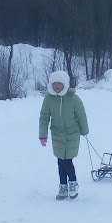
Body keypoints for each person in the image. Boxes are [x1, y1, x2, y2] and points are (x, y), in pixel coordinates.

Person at [39, 70, 89, 200]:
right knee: (60, 160)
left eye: (59, 84)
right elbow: (44, 117)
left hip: (72, 133)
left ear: (64, 84)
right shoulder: (49, 98)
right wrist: (42, 135)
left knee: (67, 160)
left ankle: (72, 183)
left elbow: (81, 115)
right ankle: (63, 186)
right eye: (54, 83)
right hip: (57, 134)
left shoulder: (73, 98)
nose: (57, 86)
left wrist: (84, 130)